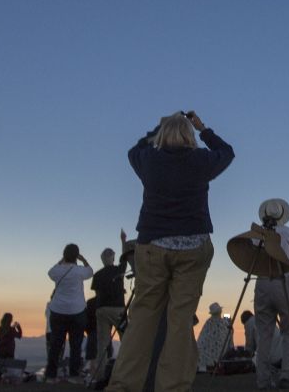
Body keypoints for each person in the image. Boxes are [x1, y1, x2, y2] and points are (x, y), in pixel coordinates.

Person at [106, 110, 234, 392]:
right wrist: (203, 128)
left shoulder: (149, 160)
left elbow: (135, 149)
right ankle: (173, 387)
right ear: (189, 136)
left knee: (142, 318)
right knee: (179, 320)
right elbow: (227, 152)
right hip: (193, 248)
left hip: (152, 245)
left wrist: (158, 126)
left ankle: (123, 385)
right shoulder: (201, 161)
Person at [253, 198, 289, 389]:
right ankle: (287, 376)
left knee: (264, 334)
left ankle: (263, 380)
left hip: (262, 281)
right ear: (282, 215)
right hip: (284, 281)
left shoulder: (255, 234)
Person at [46, 243, 93, 381]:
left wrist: (62, 260)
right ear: (76, 256)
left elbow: (50, 272)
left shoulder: (58, 270)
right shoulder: (79, 271)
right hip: (77, 311)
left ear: (64, 254)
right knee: (76, 345)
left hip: (58, 310)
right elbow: (90, 271)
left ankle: (51, 375)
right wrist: (83, 259)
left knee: (56, 344)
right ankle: (74, 374)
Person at [90, 231, 130, 381]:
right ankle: (126, 373)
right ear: (112, 258)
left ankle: (100, 376)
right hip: (118, 309)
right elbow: (125, 258)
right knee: (126, 338)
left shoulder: (98, 275)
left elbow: (97, 292)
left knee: (102, 343)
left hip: (101, 309)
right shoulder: (118, 270)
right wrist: (123, 241)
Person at [196, 302, 231, 371]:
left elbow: (203, 337)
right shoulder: (223, 323)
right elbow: (228, 335)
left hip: (210, 348)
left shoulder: (210, 322)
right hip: (216, 347)